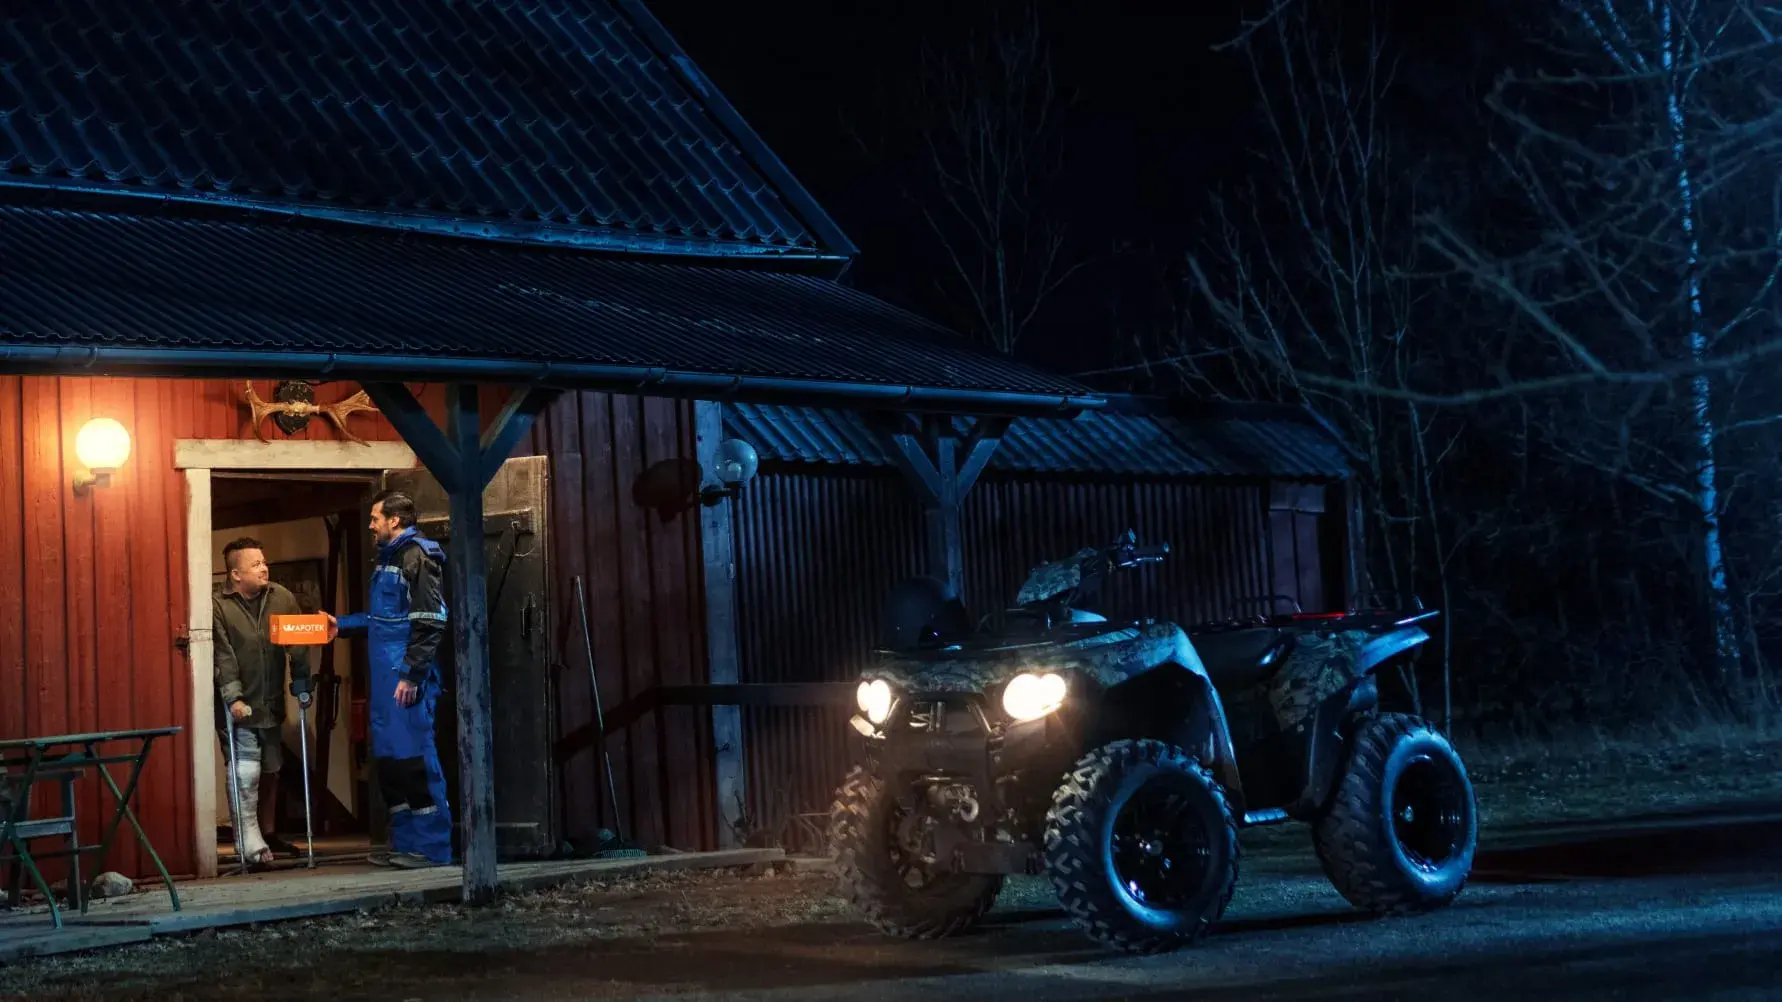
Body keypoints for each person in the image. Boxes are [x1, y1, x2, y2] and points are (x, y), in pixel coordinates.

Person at [325, 490, 452, 869]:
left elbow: (430, 621)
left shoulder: (418, 557)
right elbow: (384, 618)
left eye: (376, 518)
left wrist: (412, 675)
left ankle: (432, 848)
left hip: (404, 679)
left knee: (414, 760)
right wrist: (342, 625)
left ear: (394, 520)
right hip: (385, 679)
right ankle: (407, 844)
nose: (371, 524)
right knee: (392, 764)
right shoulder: (388, 559)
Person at [214, 537, 315, 868]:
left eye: (264, 561)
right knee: (245, 770)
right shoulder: (219, 606)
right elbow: (223, 656)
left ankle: (266, 832)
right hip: (240, 704)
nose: (264, 567)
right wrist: (233, 697)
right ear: (235, 574)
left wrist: (301, 684)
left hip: (271, 701)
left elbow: (297, 644)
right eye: (255, 563)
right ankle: (248, 838)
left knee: (272, 767)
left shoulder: (281, 597)